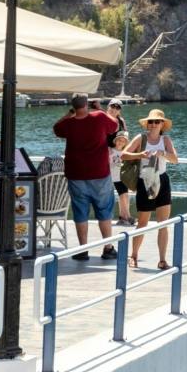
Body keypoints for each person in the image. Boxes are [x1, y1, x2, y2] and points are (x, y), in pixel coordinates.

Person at [53, 93, 118, 260]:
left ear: (73, 106)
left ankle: (83, 249)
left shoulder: (68, 123)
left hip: (76, 175)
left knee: (80, 212)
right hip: (100, 174)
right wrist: (100, 109)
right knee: (104, 210)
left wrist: (69, 114)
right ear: (87, 104)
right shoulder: (100, 117)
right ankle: (108, 247)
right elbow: (115, 126)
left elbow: (56, 128)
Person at [124, 109, 180, 269]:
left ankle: (162, 260)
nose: (153, 124)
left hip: (162, 181)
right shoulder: (140, 138)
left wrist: (163, 153)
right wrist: (140, 154)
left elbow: (175, 159)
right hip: (145, 181)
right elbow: (123, 155)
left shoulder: (166, 140)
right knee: (142, 222)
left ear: (162, 124)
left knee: (163, 223)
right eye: (151, 122)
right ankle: (133, 256)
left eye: (157, 122)